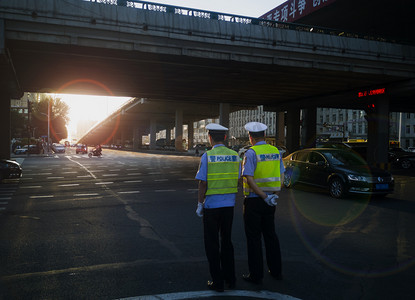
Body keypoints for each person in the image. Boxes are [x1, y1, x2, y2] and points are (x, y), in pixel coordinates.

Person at [195, 123, 240, 292]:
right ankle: (231, 278)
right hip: (229, 205)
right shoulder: (235, 156)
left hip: (212, 206)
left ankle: (218, 282)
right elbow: (238, 177)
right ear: (226, 138)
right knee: (227, 241)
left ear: (210, 138)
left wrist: (200, 204)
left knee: (212, 244)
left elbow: (203, 183)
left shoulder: (208, 156)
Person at [241, 121, 284, 284]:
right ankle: (276, 271)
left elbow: (249, 178)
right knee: (271, 235)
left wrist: (263, 196)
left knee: (254, 239)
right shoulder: (275, 151)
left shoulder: (251, 153)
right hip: (271, 202)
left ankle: (256, 275)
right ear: (265, 136)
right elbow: (281, 176)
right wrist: (274, 195)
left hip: (254, 201)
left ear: (250, 137)